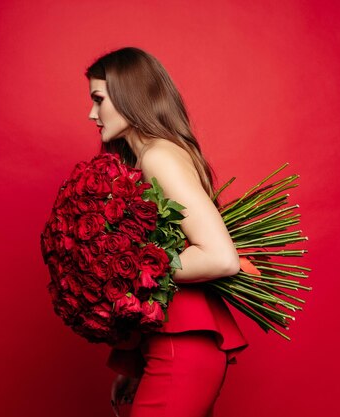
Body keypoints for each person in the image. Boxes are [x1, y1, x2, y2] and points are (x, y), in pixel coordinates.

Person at [85, 46, 249, 417]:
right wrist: (133, 363)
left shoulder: (158, 156)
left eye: (99, 99)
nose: (91, 114)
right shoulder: (155, 155)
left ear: (129, 97)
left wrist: (125, 267)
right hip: (170, 347)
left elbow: (220, 258)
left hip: (181, 348)